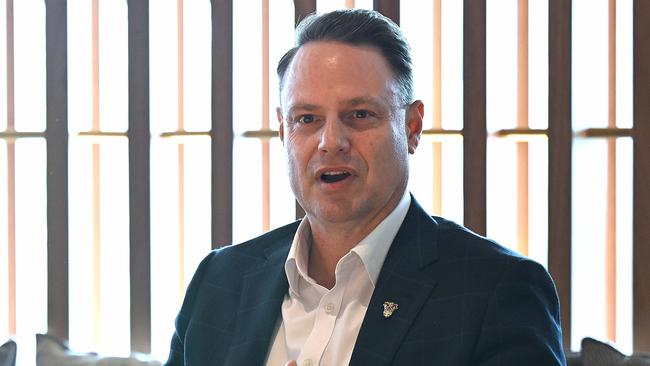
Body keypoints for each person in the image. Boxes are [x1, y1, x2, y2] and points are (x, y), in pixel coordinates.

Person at [164, 9, 565, 366]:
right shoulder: (219, 280)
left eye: (359, 114)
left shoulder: (497, 290)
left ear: (411, 127)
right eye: (307, 118)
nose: (331, 141)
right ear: (283, 130)